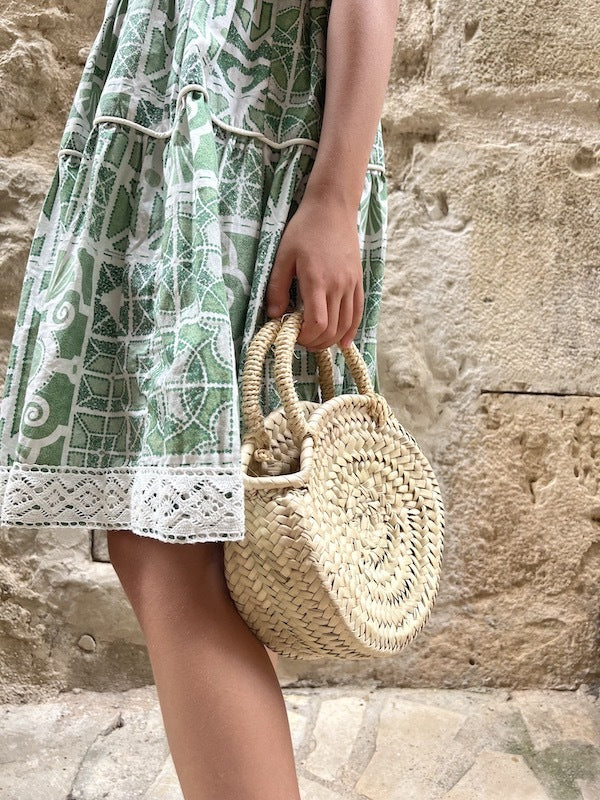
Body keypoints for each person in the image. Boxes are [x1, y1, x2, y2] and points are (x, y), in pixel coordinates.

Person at [0, 1, 399, 797]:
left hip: (233, 143)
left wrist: (332, 197)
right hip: (174, 135)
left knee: (172, 549)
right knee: (212, 555)